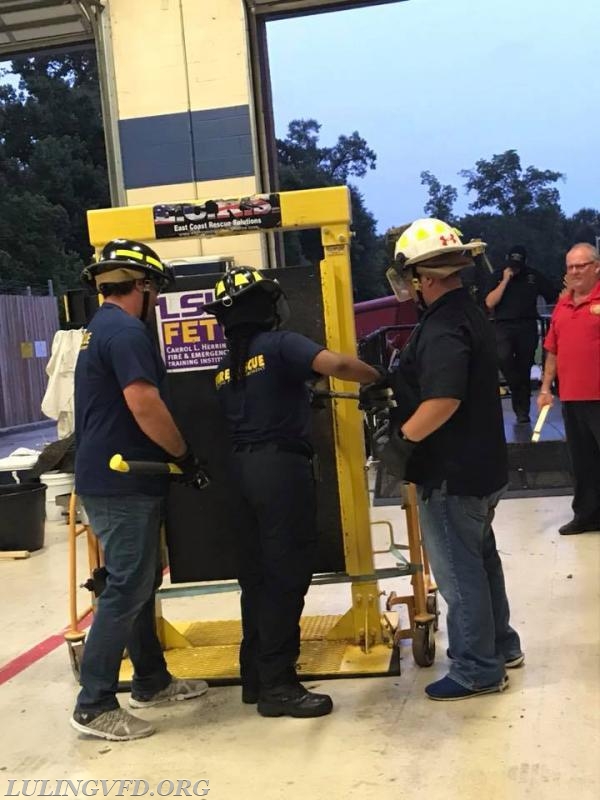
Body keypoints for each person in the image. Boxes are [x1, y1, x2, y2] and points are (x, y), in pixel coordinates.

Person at [204, 267, 383, 718]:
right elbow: (337, 365)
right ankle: (280, 686)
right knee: (286, 578)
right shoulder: (281, 345)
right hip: (280, 471)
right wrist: (380, 378)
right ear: (267, 306)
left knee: (257, 579)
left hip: (238, 472)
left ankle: (256, 677)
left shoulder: (226, 368)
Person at [374, 218, 523, 701]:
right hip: (484, 467)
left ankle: (478, 669)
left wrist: (401, 444)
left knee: (459, 573)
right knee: (481, 560)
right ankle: (501, 645)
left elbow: (443, 400)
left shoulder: (441, 327)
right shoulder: (471, 312)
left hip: (451, 473)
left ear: (424, 277)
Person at [71, 239, 210, 741]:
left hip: (118, 476)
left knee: (137, 583)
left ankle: (150, 679)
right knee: (128, 585)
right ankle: (94, 704)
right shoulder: (127, 331)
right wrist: (185, 455)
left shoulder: (98, 329)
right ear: (145, 286)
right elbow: (144, 403)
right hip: (120, 480)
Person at [537, 242, 600, 535]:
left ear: (596, 267)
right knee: (583, 462)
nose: (575, 271)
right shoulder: (562, 305)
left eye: (581, 265)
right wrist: (546, 388)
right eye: (570, 266)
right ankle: (586, 516)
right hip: (572, 398)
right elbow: (552, 350)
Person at [485, 245, 558, 423]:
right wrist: (504, 281)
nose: (515, 267)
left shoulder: (532, 276)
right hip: (503, 325)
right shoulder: (498, 275)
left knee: (524, 366)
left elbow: (552, 294)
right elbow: (489, 302)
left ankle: (522, 410)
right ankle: (515, 387)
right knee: (503, 359)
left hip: (527, 324)